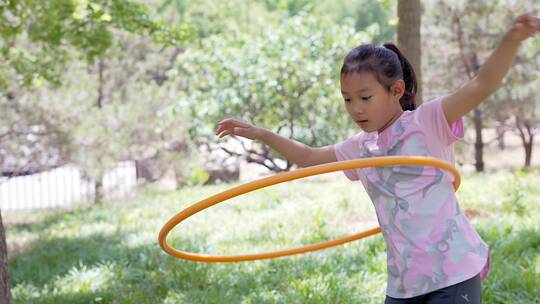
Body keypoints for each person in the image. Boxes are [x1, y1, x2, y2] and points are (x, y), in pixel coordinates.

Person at [215, 14, 540, 304]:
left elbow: (482, 84)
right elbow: (310, 157)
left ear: (396, 90)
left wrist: (511, 40)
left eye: (365, 97)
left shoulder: (428, 122)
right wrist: (263, 134)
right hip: (404, 284)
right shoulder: (360, 148)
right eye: (347, 99)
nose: (356, 109)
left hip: (453, 271)